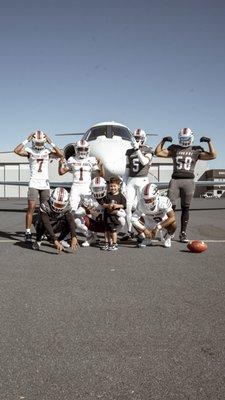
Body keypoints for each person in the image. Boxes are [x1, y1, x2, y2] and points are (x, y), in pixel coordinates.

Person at [155, 128, 217, 242]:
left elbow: (213, 155)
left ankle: (183, 233)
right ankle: (170, 231)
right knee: (170, 208)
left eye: (186, 139)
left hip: (188, 181)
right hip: (175, 180)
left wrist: (209, 142)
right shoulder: (174, 148)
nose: (184, 141)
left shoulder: (196, 149)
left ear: (191, 138)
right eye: (182, 139)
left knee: (185, 208)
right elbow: (158, 152)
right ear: (179, 138)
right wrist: (163, 140)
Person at [14, 131, 63, 242]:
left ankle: (43, 231)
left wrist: (51, 142)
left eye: (41, 143)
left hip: (45, 184)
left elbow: (61, 154)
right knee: (31, 208)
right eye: (37, 142)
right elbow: (16, 150)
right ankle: (27, 232)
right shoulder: (29, 151)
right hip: (34, 183)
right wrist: (26, 139)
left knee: (45, 210)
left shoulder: (47, 150)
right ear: (33, 141)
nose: (39, 145)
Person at [75, 176, 126, 247]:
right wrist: (86, 211)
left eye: (100, 188)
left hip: (107, 224)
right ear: (91, 188)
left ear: (105, 188)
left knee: (122, 220)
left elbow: (123, 214)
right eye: (95, 189)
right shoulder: (89, 199)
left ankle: (112, 236)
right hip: (94, 224)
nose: (98, 191)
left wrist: (115, 211)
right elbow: (77, 213)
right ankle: (90, 236)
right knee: (76, 220)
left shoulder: (109, 197)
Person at [122, 128, 154, 240]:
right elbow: (127, 169)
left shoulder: (148, 149)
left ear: (144, 138)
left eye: (139, 138)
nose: (137, 139)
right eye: (135, 138)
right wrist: (124, 183)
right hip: (131, 179)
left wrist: (137, 149)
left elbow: (144, 162)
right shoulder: (129, 151)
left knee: (143, 207)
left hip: (143, 180)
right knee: (128, 207)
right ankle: (129, 231)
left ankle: (144, 230)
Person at [58, 139, 103, 212]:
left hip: (87, 187)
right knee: (72, 209)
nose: (82, 151)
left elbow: (100, 175)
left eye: (84, 149)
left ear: (88, 149)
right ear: (76, 149)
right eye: (80, 149)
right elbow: (61, 172)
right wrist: (60, 164)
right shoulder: (72, 159)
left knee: (97, 209)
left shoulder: (91, 159)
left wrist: (101, 166)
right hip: (75, 187)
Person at [32, 187, 78, 252]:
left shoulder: (67, 207)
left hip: (56, 224)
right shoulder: (45, 205)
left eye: (61, 205)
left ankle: (60, 240)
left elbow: (71, 221)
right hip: (45, 225)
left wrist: (74, 236)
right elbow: (46, 223)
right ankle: (38, 240)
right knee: (41, 221)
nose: (58, 208)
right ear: (51, 200)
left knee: (72, 223)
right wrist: (54, 239)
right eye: (57, 204)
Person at [131, 183, 176, 248]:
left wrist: (158, 227)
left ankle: (168, 237)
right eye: (145, 199)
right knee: (135, 222)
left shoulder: (163, 201)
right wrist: (144, 229)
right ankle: (147, 238)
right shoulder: (141, 202)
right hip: (148, 222)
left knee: (174, 224)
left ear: (156, 195)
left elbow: (172, 217)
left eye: (149, 199)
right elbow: (133, 219)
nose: (147, 201)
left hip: (162, 221)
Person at [101, 177, 126, 251]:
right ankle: (107, 243)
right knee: (106, 231)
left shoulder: (120, 196)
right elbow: (103, 204)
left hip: (114, 216)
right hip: (106, 215)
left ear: (118, 186)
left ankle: (114, 244)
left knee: (113, 230)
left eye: (114, 186)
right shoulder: (107, 195)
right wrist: (108, 205)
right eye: (111, 186)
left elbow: (124, 205)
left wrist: (117, 206)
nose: (113, 188)